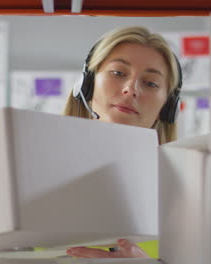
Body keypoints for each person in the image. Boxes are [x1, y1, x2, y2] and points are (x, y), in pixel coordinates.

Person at [63, 26, 182, 258]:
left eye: (150, 83)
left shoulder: (187, 189)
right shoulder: (37, 167)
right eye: (118, 73)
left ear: (167, 108)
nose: (131, 89)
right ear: (86, 85)